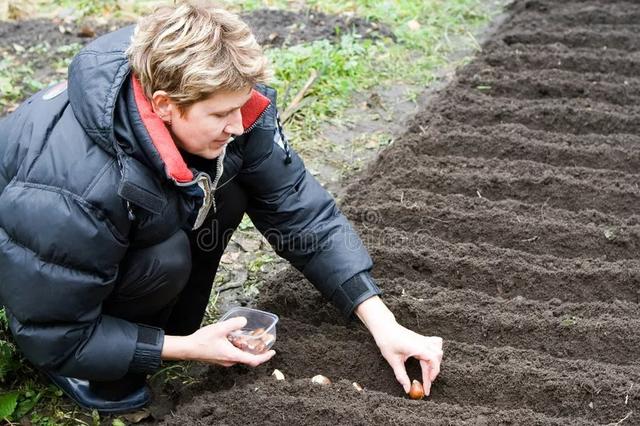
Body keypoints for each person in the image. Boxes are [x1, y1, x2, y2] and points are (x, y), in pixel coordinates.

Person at [0, 1, 443, 413]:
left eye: (242, 105)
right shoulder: (73, 187)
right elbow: (55, 333)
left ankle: (156, 328)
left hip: (90, 237)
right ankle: (88, 371)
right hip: (42, 285)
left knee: (229, 183)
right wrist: (185, 348)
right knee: (163, 258)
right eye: (221, 115)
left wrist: (384, 324)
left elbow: (299, 210)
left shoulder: (221, 102)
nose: (238, 124)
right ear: (164, 106)